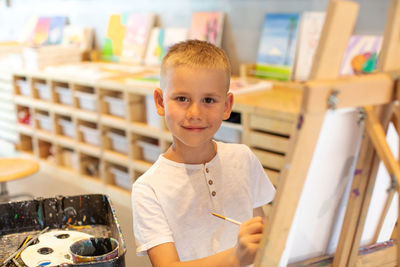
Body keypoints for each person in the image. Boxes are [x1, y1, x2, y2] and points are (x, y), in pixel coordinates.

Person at [132, 40, 275, 267]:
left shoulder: (244, 158)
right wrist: (236, 257)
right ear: (160, 102)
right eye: (182, 99)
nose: (195, 113)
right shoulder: (148, 189)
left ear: (227, 105)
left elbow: (260, 234)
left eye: (208, 100)